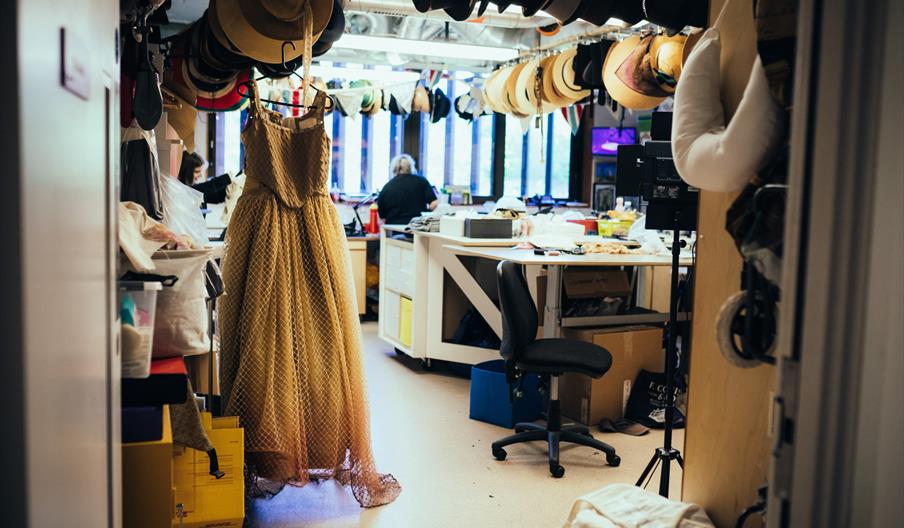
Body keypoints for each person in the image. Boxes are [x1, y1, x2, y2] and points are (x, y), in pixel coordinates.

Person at [376, 154, 438, 225]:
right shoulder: (422, 181)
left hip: (394, 230)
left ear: (394, 169)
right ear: (411, 167)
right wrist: (426, 213)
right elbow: (434, 203)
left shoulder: (387, 187)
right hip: (416, 228)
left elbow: (382, 216)